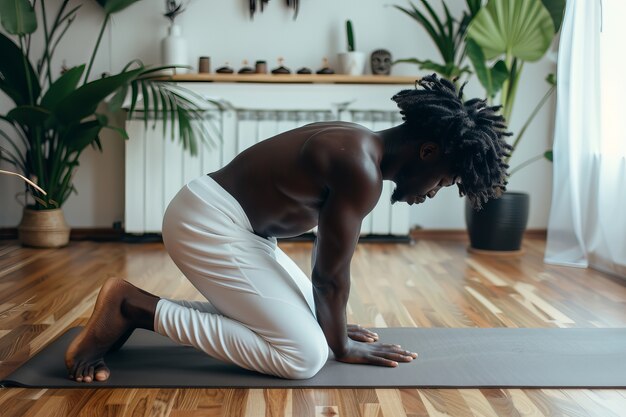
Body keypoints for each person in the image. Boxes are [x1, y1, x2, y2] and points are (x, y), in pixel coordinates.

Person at [65, 74, 512, 382]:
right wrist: (339, 345)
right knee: (305, 355)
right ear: (428, 151)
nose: (435, 191)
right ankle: (133, 308)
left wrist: (330, 324)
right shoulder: (360, 168)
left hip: (236, 229)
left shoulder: (361, 146)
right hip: (207, 224)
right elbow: (330, 276)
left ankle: (134, 309)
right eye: (445, 181)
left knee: (316, 332)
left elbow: (327, 270)